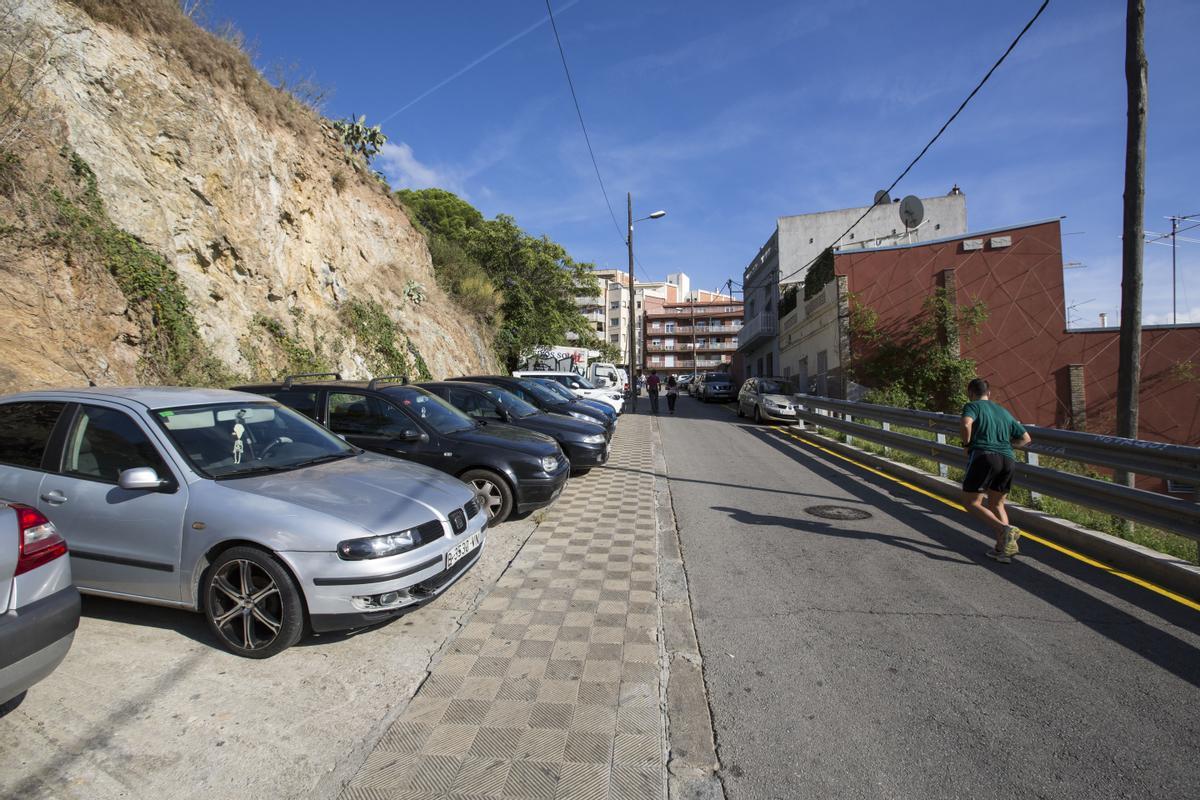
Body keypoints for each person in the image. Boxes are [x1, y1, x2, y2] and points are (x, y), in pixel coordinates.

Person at [960, 377, 1032, 563]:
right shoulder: (1003, 411)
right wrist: (1006, 446)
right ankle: (1003, 549)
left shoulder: (973, 406)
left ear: (970, 393)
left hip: (984, 455)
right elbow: (1026, 438)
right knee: (997, 504)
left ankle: (1004, 530)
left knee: (971, 502)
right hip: (1008, 459)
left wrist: (966, 444)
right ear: (989, 393)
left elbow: (966, 423)